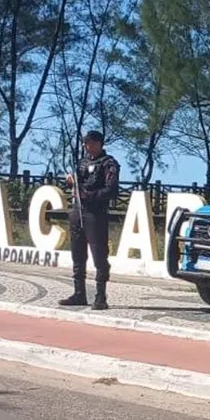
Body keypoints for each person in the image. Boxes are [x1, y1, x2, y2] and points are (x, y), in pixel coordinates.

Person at [59, 130, 120, 310]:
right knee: (77, 254)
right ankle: (79, 293)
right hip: (78, 211)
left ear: (100, 143)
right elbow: (76, 183)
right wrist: (70, 182)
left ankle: (101, 296)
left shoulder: (109, 163)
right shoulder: (82, 162)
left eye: (91, 143)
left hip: (96, 214)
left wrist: (90, 195)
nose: (88, 146)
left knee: (99, 255)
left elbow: (111, 190)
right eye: (86, 143)